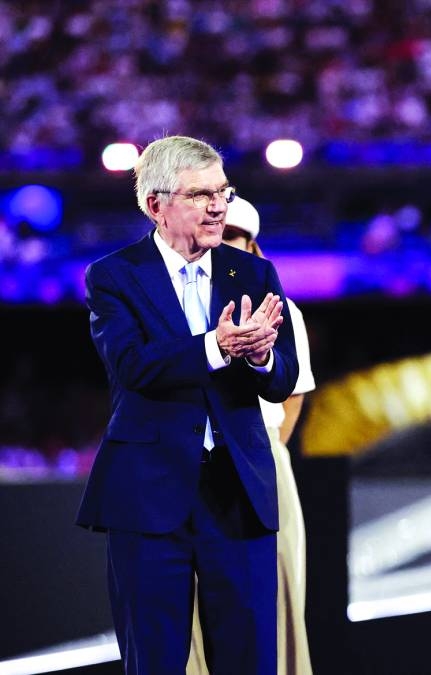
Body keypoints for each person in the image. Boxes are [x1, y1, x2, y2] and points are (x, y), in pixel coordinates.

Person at [76, 135, 299, 674]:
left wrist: (264, 357)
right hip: (149, 495)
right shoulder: (114, 276)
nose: (218, 205)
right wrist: (217, 346)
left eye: (223, 191)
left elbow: (284, 377)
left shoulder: (252, 274)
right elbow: (133, 366)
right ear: (156, 205)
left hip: (238, 493)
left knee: (249, 658)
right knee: (154, 659)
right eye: (200, 195)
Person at [187, 196, 317, 675]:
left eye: (234, 238)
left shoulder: (283, 310)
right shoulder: (182, 303)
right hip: (194, 460)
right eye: (215, 238)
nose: (224, 247)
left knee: (274, 589)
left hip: (260, 458)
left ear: (252, 247)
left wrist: (267, 455)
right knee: (190, 601)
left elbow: (295, 392)